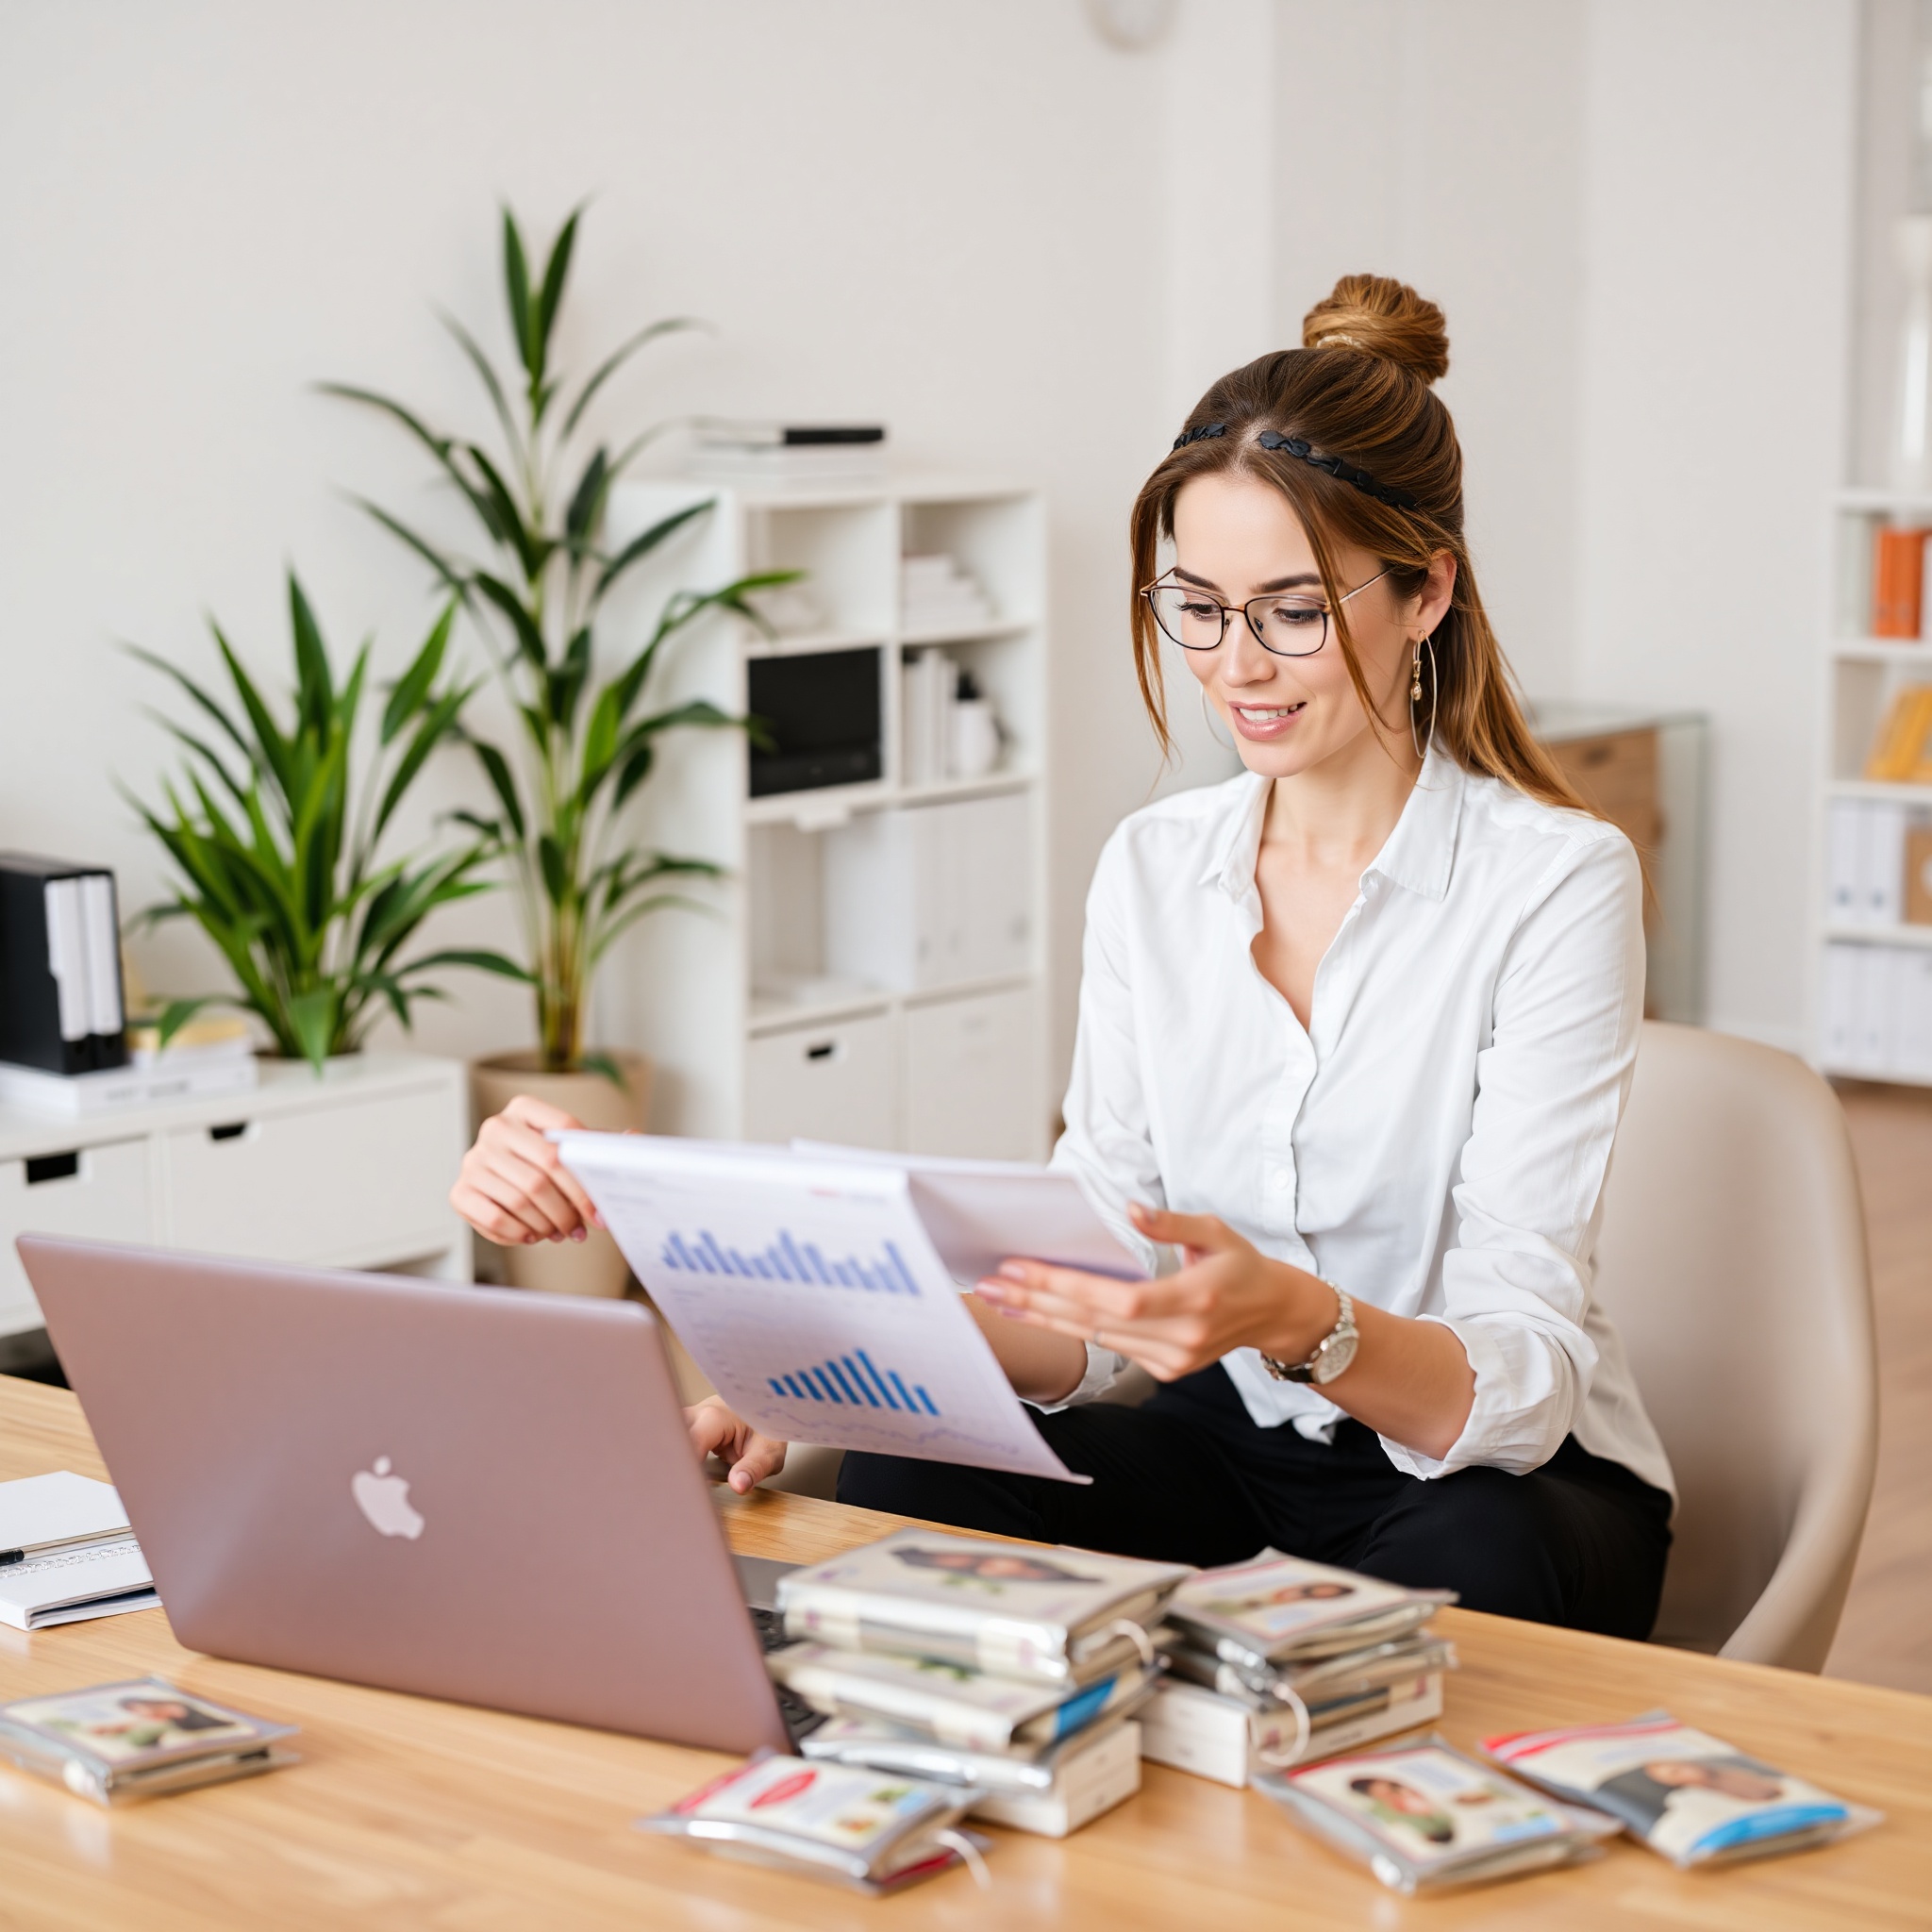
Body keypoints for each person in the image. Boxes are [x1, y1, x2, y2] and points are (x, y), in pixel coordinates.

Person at [453, 273, 1675, 1638]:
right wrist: (811, 1372)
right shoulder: (1157, 870)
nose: (1237, 666)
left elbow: (1517, 1374)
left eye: (1294, 609)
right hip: (1226, 1449)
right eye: (1196, 606)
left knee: (1468, 1569)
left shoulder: (1556, 880)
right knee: (913, 1465)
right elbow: (1087, 1295)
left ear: (1426, 590)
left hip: (1482, 1472)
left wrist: (1297, 1318)